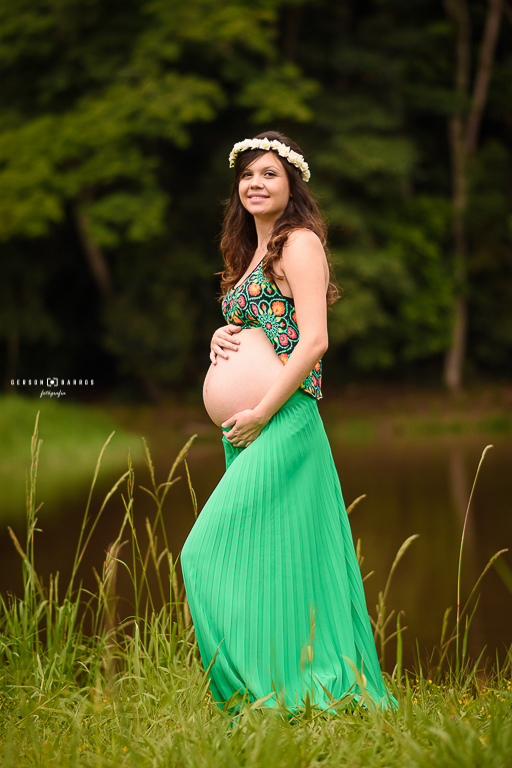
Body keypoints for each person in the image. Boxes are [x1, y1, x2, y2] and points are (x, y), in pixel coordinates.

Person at [180, 131, 393, 716]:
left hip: (282, 422)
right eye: (247, 175)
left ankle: (276, 686)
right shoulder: (250, 249)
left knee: (204, 554)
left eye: (269, 173)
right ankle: (267, 688)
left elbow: (315, 339)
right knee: (265, 561)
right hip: (248, 429)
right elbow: (266, 328)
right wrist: (224, 335)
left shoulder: (299, 242)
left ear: (292, 183)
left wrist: (263, 410)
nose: (256, 183)